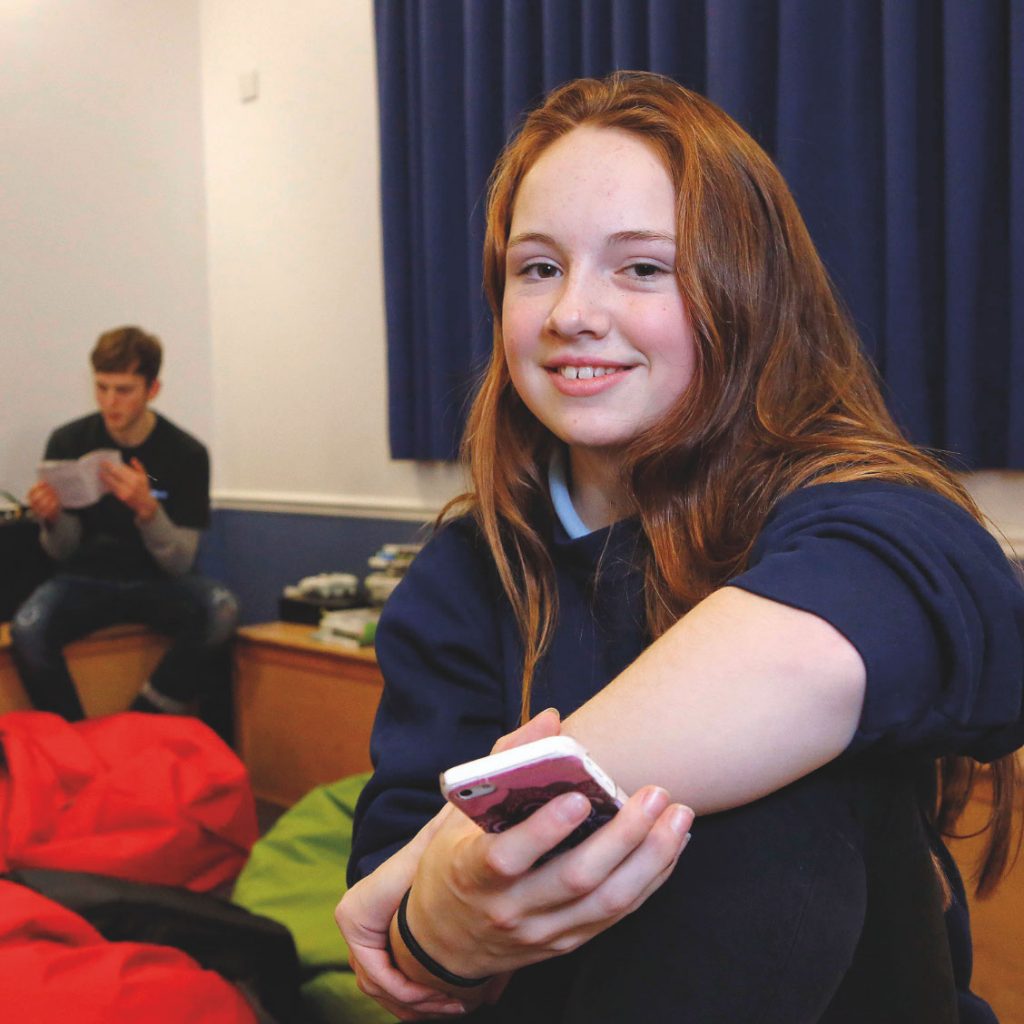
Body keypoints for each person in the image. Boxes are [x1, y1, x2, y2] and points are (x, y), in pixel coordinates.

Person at [335, 72, 1024, 1022]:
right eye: (538, 268)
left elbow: (878, 628)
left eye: (642, 268)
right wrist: (445, 927)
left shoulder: (861, 506)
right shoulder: (467, 573)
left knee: (758, 781)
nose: (574, 311)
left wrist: (437, 861)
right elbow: (409, 941)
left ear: (743, 294)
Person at [10, 326, 238, 721]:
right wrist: (52, 519)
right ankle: (76, 738)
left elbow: (180, 563)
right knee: (27, 628)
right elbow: (61, 552)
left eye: (124, 390)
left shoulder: (186, 453)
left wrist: (148, 512)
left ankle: (142, 718)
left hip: (159, 582)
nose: (109, 402)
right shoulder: (69, 441)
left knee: (222, 609)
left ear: (153, 390)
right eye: (101, 387)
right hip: (84, 579)